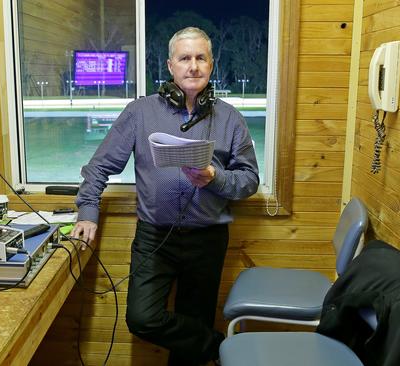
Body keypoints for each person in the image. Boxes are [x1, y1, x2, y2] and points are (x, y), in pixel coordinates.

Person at [71, 26, 259, 365]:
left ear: (211, 65)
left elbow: (249, 181)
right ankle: (221, 345)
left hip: (208, 238)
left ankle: (209, 344)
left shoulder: (231, 118)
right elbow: (99, 167)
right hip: (154, 237)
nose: (193, 66)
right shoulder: (140, 112)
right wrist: (87, 211)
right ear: (170, 66)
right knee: (142, 318)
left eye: (201, 58)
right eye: (184, 58)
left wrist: (214, 177)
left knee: (189, 339)